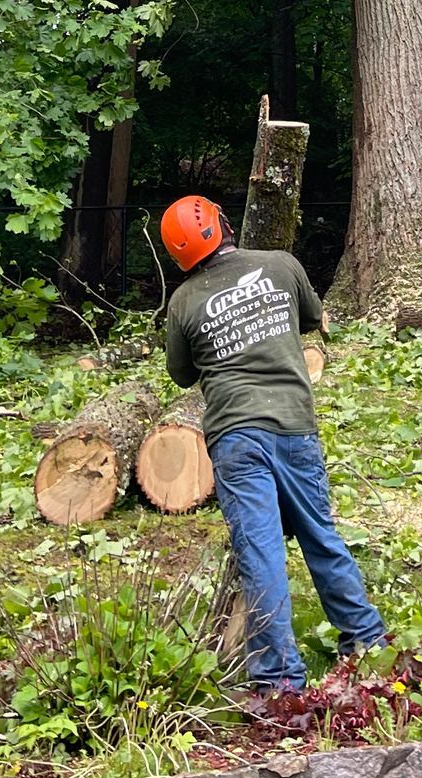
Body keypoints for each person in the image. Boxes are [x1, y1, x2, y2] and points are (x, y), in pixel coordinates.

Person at [160, 193, 388, 695]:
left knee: (260, 552)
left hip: (235, 438)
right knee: (320, 536)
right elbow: (311, 317)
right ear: (220, 224)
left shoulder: (182, 303)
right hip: (293, 426)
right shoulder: (280, 266)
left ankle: (279, 681)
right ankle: (368, 643)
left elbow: (180, 374)